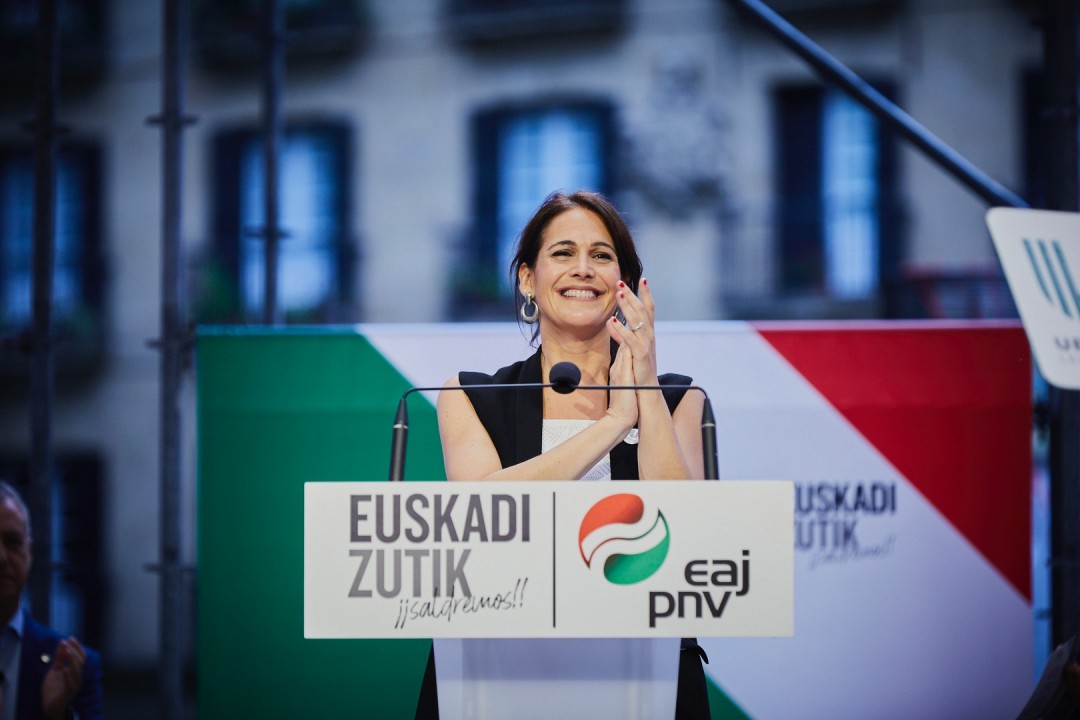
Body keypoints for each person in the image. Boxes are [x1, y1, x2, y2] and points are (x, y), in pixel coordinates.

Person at [416, 190, 710, 719]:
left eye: (601, 255)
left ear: (625, 284)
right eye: (563, 252)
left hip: (644, 674)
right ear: (527, 278)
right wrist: (614, 424)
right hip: (500, 673)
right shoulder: (471, 396)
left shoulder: (678, 398)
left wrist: (643, 391)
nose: (583, 269)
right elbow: (482, 512)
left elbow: (686, 541)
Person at [0, 481, 103, 720]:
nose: (1, 558)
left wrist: (59, 715)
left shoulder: (73, 669)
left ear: (30, 552)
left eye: (13, 541)